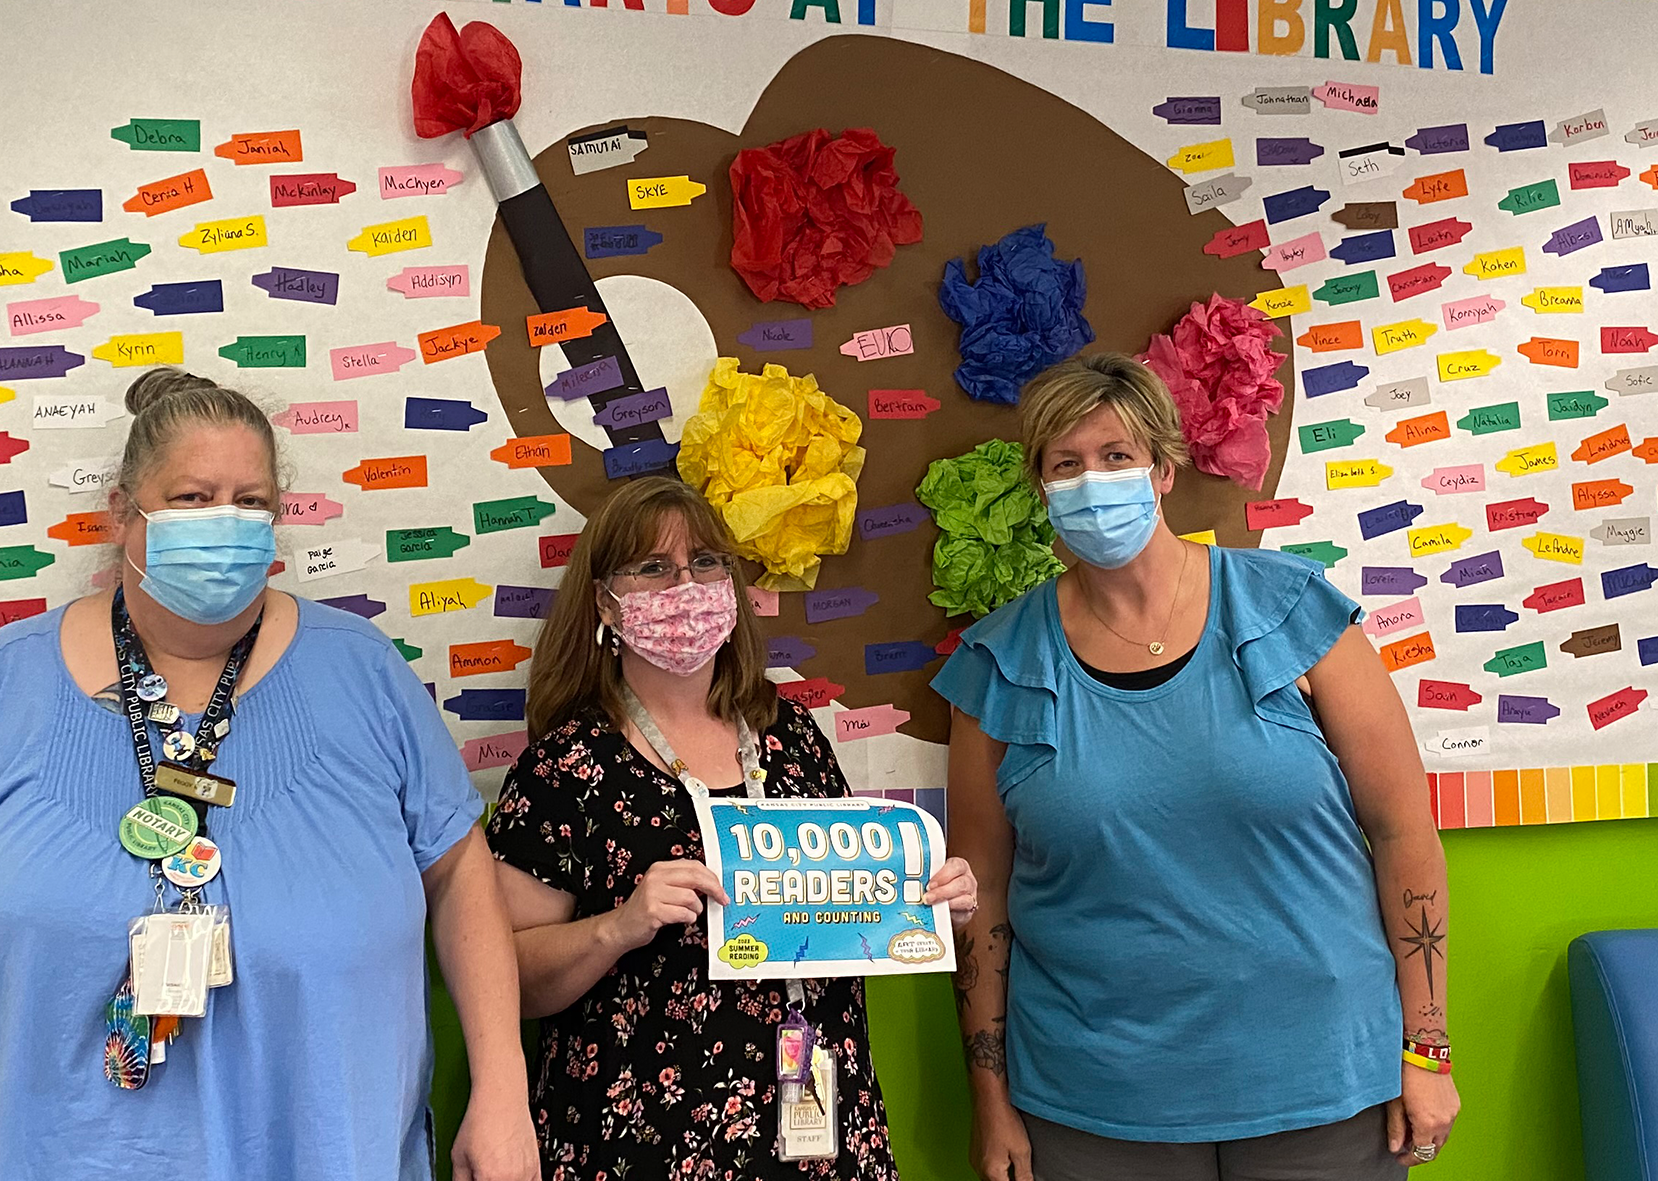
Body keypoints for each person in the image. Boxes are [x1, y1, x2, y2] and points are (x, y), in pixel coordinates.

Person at [0, 367, 538, 1181]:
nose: (225, 522)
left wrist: (502, 1090)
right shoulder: (5, 681)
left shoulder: (362, 672)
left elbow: (460, 871)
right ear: (123, 511)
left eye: (250, 502)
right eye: (192, 498)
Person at [937, 352, 1459, 1181]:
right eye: (1066, 464)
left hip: (1323, 1083)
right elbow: (981, 897)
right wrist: (989, 1099)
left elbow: (1403, 833)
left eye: (1116, 455)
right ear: (1041, 488)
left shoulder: (1292, 611)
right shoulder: (997, 665)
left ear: (1163, 470)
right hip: (1096, 1103)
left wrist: (1427, 1049)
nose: (1092, 482)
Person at [485, 476, 978, 1180]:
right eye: (654, 568)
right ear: (605, 602)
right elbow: (507, 978)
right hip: (642, 1140)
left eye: (706, 562)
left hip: (817, 1124)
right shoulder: (565, 766)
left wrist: (927, 903)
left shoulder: (791, 734)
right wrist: (617, 927)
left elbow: (848, 910)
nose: (687, 585)